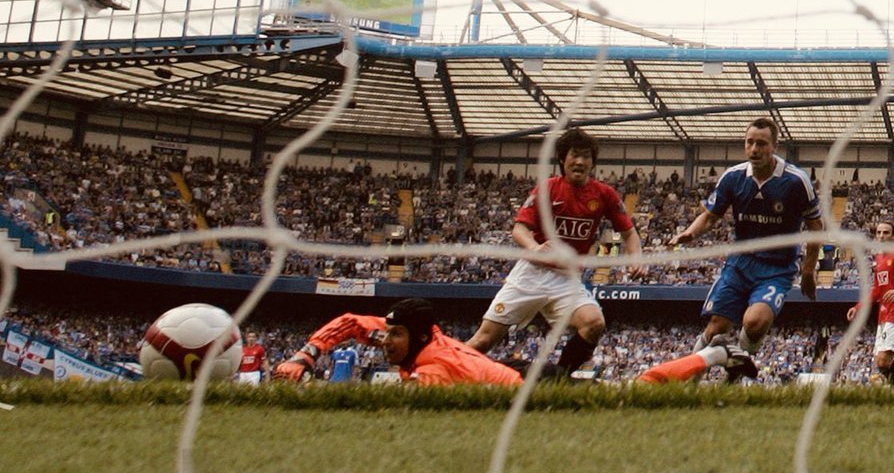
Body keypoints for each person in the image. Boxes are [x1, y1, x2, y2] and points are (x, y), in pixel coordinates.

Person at [465, 128, 645, 378]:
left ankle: (560, 378)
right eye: (574, 155)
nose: (579, 161)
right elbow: (519, 229)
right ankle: (439, 377)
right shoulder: (548, 188)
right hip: (532, 273)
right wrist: (535, 248)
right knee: (483, 340)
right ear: (563, 158)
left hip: (566, 279)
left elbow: (630, 233)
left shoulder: (604, 194)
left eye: (586, 156)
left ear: (592, 162)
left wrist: (636, 258)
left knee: (594, 323)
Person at [273, 298, 754, 386]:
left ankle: (715, 353)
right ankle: (715, 354)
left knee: (638, 389)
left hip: (529, 386)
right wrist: (305, 356)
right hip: (513, 372)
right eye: (388, 332)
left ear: (418, 335)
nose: (385, 341)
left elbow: (411, 398)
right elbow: (350, 322)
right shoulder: (416, 337)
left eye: (394, 335)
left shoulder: (433, 366)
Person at [669, 117, 824, 380]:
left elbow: (816, 226)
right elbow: (710, 216)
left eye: (761, 144)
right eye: (749, 142)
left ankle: (734, 376)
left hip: (777, 268)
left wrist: (808, 271)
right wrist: (690, 233)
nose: (754, 149)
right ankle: (688, 381)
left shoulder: (796, 181)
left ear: (774, 146)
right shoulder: (733, 177)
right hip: (740, 264)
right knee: (716, 327)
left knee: (755, 323)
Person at [845, 220, 894, 385]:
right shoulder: (879, 258)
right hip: (884, 314)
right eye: (879, 232)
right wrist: (858, 307)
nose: (881, 236)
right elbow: (877, 290)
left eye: (886, 232)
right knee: (881, 363)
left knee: (883, 360)